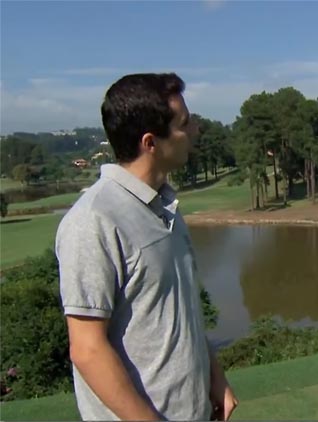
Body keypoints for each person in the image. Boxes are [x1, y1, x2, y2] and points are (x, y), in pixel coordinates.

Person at [55, 73, 238, 421]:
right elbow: (87, 349)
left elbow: (182, 313)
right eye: (185, 123)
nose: (196, 130)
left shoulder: (164, 207)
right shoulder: (94, 220)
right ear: (151, 142)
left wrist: (215, 376)